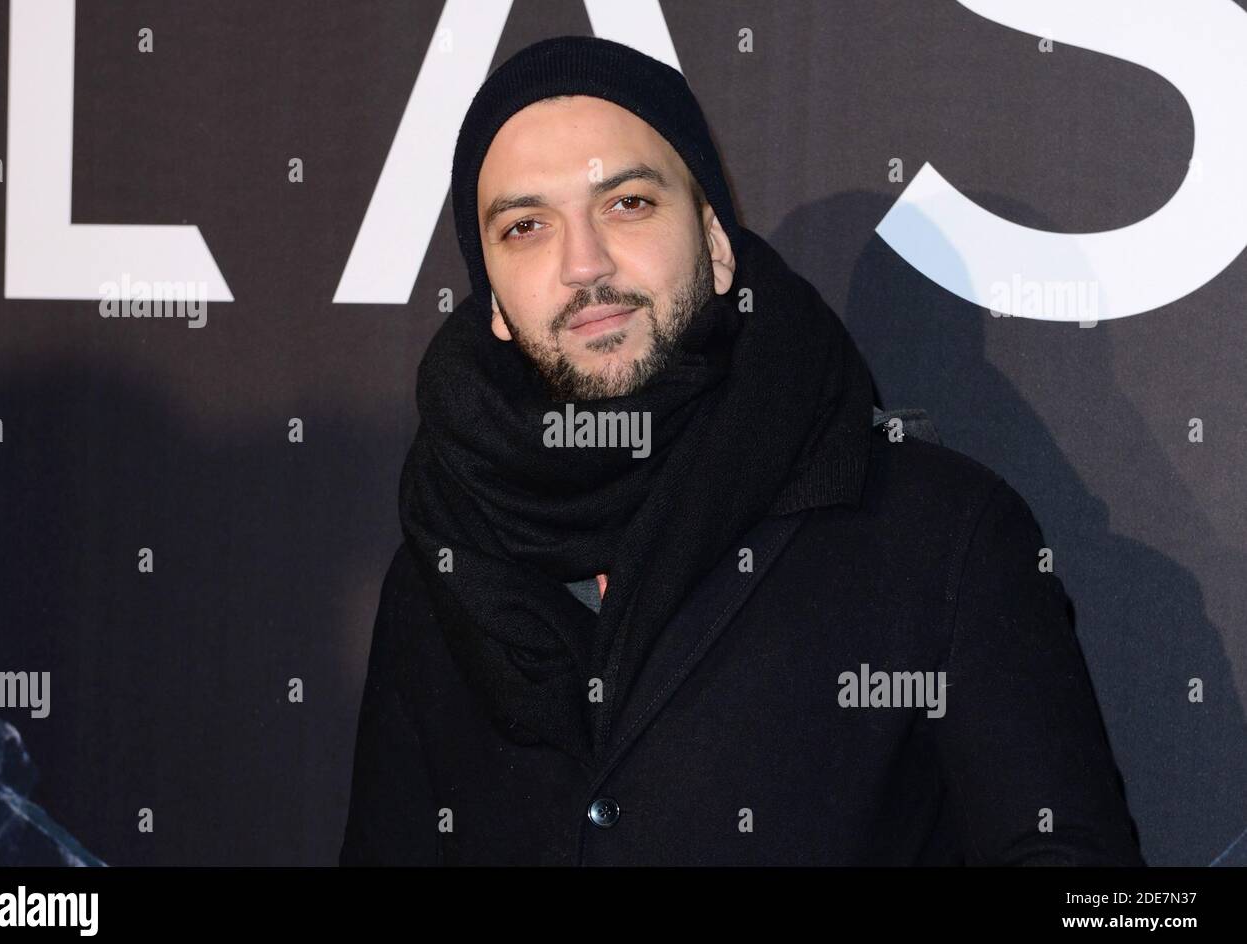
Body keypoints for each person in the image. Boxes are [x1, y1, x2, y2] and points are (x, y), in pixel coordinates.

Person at [340, 35, 1145, 865]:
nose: (583, 264)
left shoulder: (941, 535)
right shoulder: (440, 564)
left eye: (628, 204)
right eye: (526, 226)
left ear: (718, 246)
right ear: (495, 306)